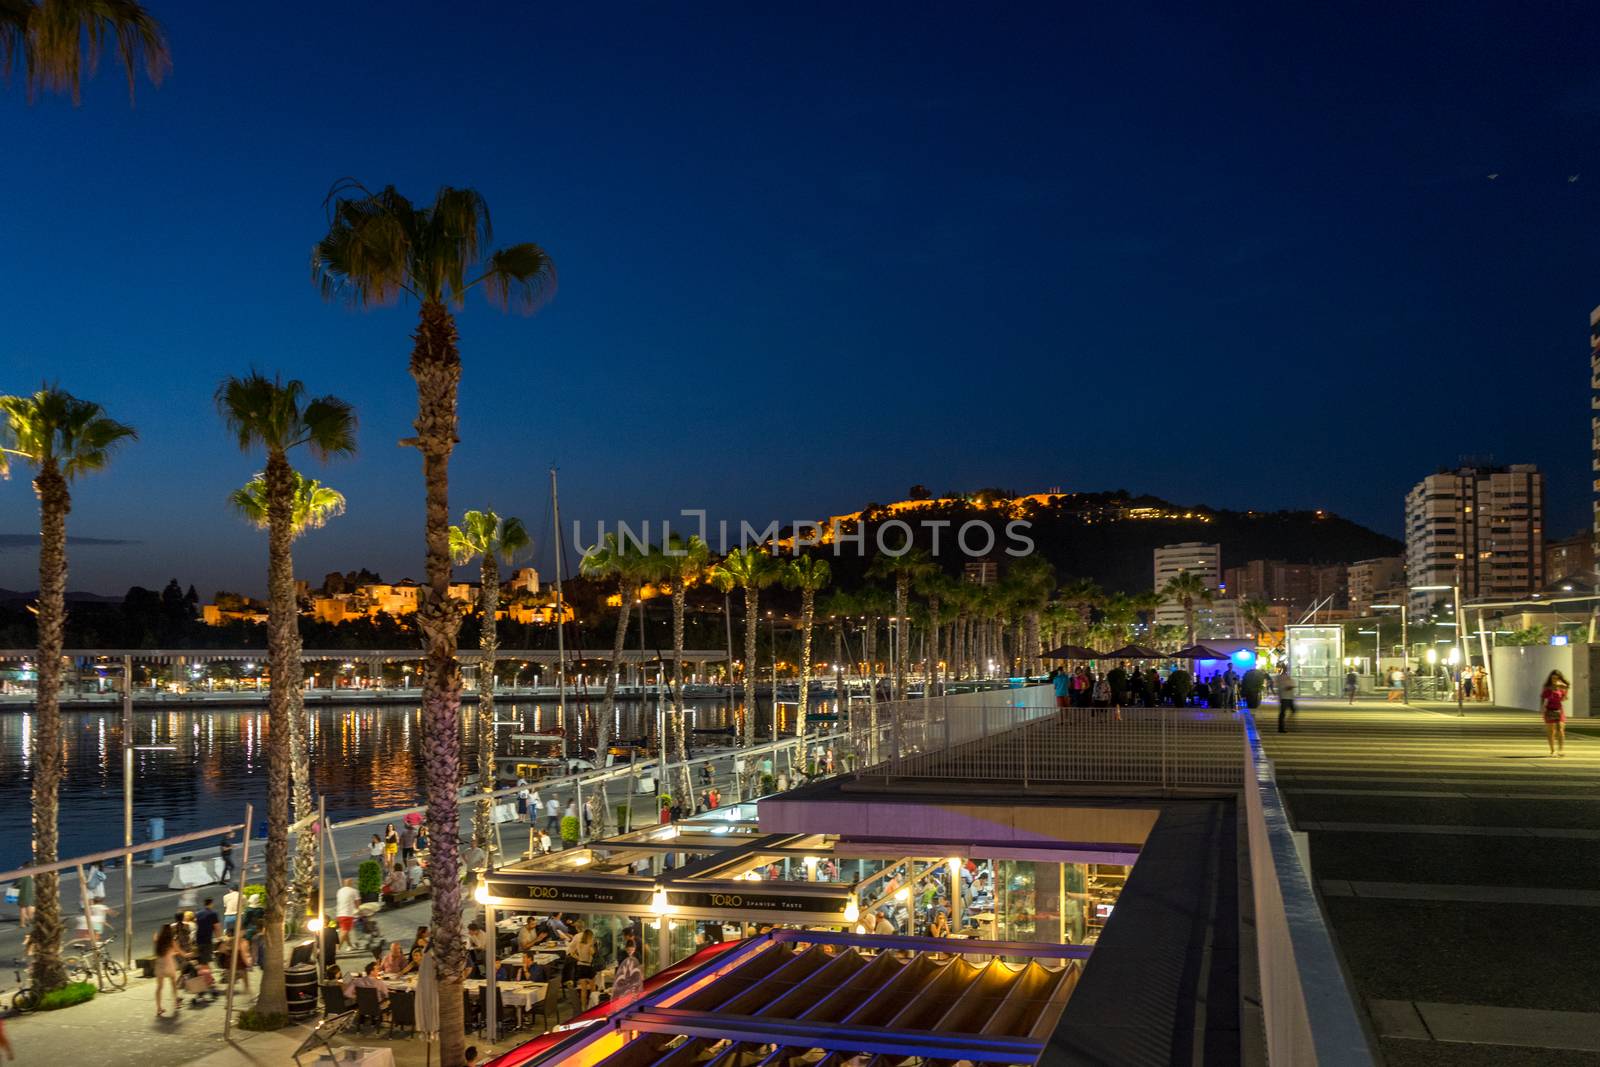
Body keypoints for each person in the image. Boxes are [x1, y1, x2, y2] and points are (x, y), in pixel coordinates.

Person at [153, 923, 183, 1017]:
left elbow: (156, 943)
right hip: (169, 965)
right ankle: (176, 1003)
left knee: (159, 987)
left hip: (159, 966)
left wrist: (155, 935)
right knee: (173, 984)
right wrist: (188, 954)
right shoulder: (171, 941)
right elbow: (179, 951)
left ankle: (159, 1008)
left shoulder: (158, 940)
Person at [1541, 669, 1570, 756]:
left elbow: (1564, 699)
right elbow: (1543, 699)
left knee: (1561, 730)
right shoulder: (1547, 687)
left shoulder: (1562, 687)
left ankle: (1560, 750)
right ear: (1550, 678)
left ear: (1559, 678)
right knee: (1551, 731)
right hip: (1549, 710)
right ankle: (1552, 750)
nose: (1555, 680)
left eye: (1557, 678)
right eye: (1553, 678)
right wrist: (1542, 710)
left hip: (1559, 710)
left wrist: (1566, 689)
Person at [571, 927, 598, 1007]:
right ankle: (593, 1006)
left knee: (583, 989)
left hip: (580, 965)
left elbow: (572, 953)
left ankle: (583, 1007)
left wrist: (579, 958)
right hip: (589, 966)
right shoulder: (590, 945)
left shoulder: (579, 944)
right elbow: (593, 955)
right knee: (592, 989)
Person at [336, 877, 360, 946]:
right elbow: (358, 903)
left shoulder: (339, 891)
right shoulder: (354, 891)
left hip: (339, 914)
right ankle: (337, 948)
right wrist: (358, 911)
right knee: (345, 932)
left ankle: (350, 945)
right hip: (347, 914)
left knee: (344, 930)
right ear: (351, 883)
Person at [194, 897, 219, 965]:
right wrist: (219, 937)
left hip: (199, 937)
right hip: (207, 938)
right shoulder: (213, 913)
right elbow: (216, 926)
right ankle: (205, 971)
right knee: (207, 957)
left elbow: (196, 924)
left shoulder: (198, 914)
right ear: (211, 903)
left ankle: (202, 970)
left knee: (201, 957)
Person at [1275, 665, 1298, 733]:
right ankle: (1281, 728)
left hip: (1287, 697)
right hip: (1285, 697)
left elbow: (1289, 685)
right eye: (1285, 669)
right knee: (1283, 713)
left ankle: (1285, 726)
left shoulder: (1283, 677)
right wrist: (1290, 686)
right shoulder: (1281, 677)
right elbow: (1287, 687)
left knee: (1291, 711)